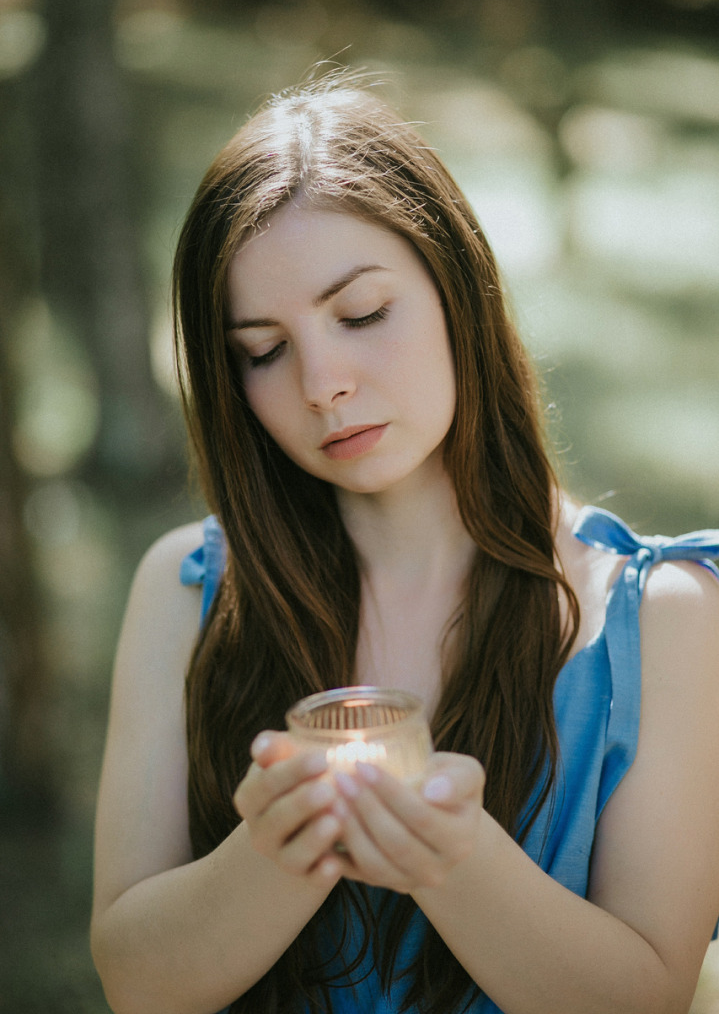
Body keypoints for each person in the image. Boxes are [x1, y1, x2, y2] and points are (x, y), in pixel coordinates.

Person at [90, 73, 719, 1014]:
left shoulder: (664, 618)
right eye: (262, 350)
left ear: (458, 287)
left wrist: (454, 859)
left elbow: (646, 996)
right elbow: (136, 982)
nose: (321, 383)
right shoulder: (190, 589)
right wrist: (272, 856)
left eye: (361, 314)